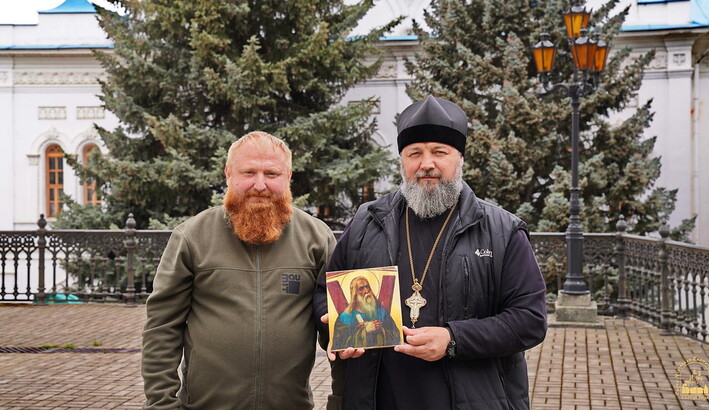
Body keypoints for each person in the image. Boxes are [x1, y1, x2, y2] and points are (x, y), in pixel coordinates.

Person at [314, 95, 547, 410]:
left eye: (440, 152)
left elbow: (529, 320)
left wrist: (453, 339)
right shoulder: (367, 222)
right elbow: (324, 295)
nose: (426, 164)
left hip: (471, 399)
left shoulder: (501, 230)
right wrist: (335, 332)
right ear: (403, 161)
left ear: (459, 158)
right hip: (377, 399)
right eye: (415, 153)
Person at [142, 131, 336, 409]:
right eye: (249, 172)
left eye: (271, 173)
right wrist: (161, 403)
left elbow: (338, 333)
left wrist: (340, 400)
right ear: (229, 174)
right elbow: (162, 327)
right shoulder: (192, 236)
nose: (260, 184)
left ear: (288, 177)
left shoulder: (317, 237)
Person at [331, 276, 401, 350]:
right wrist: (365, 331)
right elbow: (340, 343)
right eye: (361, 288)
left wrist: (379, 328)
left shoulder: (381, 311)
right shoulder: (345, 316)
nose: (366, 290)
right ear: (354, 293)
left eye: (367, 286)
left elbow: (395, 334)